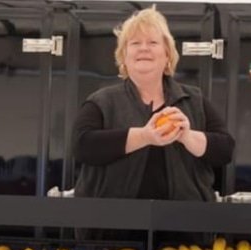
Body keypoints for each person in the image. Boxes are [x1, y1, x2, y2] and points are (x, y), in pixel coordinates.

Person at [73, 7, 235, 202]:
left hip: (183, 224)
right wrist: (145, 136)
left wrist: (187, 137)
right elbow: (82, 145)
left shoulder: (194, 100)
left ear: (167, 54)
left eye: (153, 42)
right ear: (124, 56)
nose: (144, 48)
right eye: (135, 43)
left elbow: (225, 150)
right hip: (113, 226)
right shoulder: (101, 101)